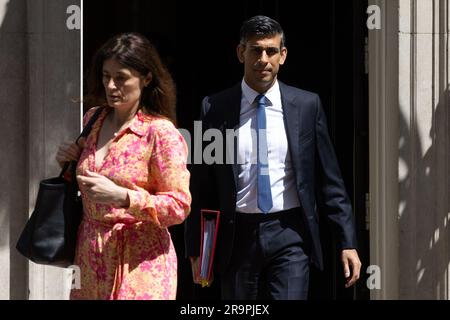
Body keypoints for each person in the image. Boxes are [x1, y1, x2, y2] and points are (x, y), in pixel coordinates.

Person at [184, 15, 361, 300]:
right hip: (236, 237)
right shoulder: (215, 108)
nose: (263, 59)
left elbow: (330, 181)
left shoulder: (306, 106)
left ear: (283, 55)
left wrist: (347, 242)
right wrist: (197, 249)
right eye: (255, 50)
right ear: (241, 53)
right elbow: (202, 185)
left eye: (271, 51)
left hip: (290, 233)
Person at [56, 33, 191, 300]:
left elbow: (179, 206)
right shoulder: (93, 118)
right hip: (90, 258)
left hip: (141, 262)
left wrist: (125, 197)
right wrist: (70, 163)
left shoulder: (160, 132)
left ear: (146, 78)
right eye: (106, 76)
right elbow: (86, 184)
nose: (111, 85)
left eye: (121, 77)